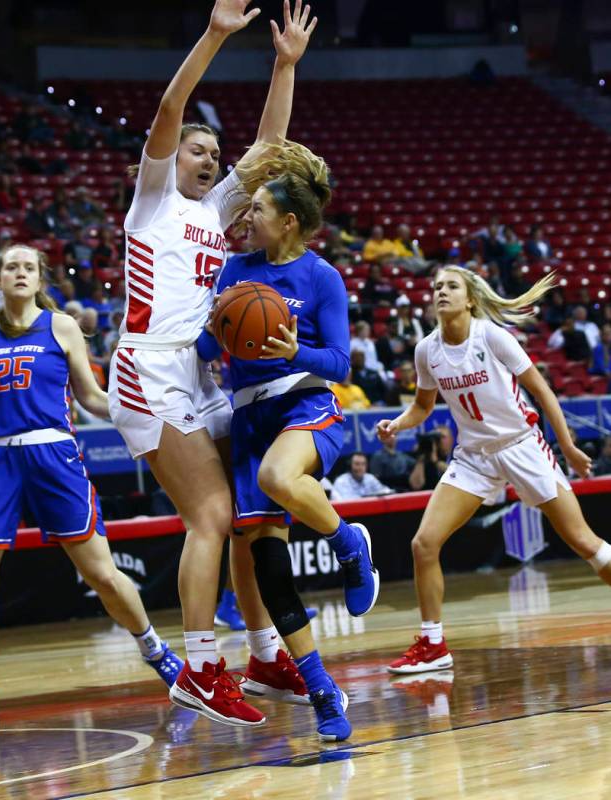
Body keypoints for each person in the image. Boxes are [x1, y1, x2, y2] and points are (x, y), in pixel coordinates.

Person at [108, 0, 320, 729]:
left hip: (199, 375)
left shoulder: (215, 212)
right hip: (147, 368)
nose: (207, 159)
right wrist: (214, 35)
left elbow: (269, 143)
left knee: (248, 513)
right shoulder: (153, 199)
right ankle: (199, 668)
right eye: (197, 150)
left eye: (211, 153)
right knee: (210, 513)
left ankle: (261, 651)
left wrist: (283, 65)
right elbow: (170, 105)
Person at [0, 244, 181, 724]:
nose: (20, 273)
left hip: (53, 454)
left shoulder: (62, 327)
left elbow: (89, 396)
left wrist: (135, 408)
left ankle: (158, 652)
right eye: (11, 266)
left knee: (102, 575)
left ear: (40, 278)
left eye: (29, 267)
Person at [196, 143, 378, 742]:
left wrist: (290, 350)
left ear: (289, 221)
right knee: (270, 568)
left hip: (306, 404)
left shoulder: (322, 276)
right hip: (248, 417)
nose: (248, 217)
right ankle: (322, 689)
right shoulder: (235, 270)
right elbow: (207, 347)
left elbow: (340, 363)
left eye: (259, 210)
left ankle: (349, 544)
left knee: (279, 478)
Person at [378, 266, 611, 674]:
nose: (441, 292)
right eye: (436, 287)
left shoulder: (492, 336)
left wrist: (568, 447)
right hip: (474, 456)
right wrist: (397, 423)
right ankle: (433, 644)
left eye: (451, 286)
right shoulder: (426, 350)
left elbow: (542, 391)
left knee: (584, 542)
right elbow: (422, 406)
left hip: (521, 445)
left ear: (469, 299)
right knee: (423, 544)